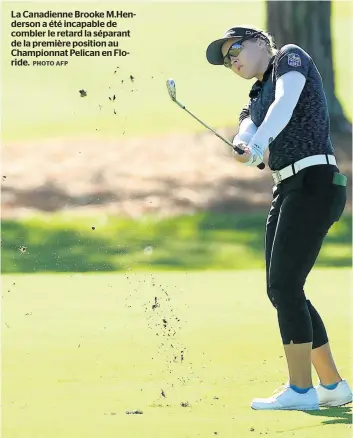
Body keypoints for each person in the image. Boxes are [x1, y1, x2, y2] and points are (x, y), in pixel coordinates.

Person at [206, 25, 352, 411]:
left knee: (286, 286)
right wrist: (246, 147)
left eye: (234, 48)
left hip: (316, 181)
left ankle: (301, 390)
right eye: (225, 59)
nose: (231, 59)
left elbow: (284, 104)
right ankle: (333, 386)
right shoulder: (254, 96)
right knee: (282, 289)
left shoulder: (289, 57)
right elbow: (249, 126)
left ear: (259, 41)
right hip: (287, 188)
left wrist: (257, 143)